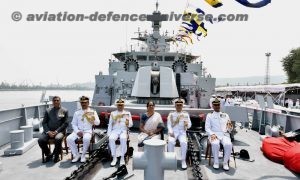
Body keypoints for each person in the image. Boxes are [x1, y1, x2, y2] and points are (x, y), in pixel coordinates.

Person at [67, 96, 100, 163]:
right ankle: (76, 155)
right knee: (69, 138)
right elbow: (73, 124)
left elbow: (98, 123)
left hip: (88, 130)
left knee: (86, 139)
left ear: (88, 103)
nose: (83, 104)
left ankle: (83, 155)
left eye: (85, 102)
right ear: (80, 103)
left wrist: (92, 120)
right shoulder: (77, 112)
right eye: (82, 102)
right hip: (78, 131)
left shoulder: (92, 112)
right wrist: (77, 131)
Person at [38, 96, 68, 163]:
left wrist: (57, 131)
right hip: (49, 131)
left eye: (57, 100)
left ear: (60, 101)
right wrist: (48, 132)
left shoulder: (64, 110)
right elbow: (44, 123)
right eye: (54, 100)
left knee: (57, 139)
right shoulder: (48, 111)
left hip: (59, 131)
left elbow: (65, 124)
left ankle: (56, 156)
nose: (56, 102)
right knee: (40, 140)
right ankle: (48, 154)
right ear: (52, 102)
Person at [205, 98, 233, 171]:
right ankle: (216, 162)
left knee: (228, 145)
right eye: (215, 105)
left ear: (220, 105)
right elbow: (207, 128)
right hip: (214, 134)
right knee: (215, 144)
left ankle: (225, 163)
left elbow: (230, 129)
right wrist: (212, 134)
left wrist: (230, 127)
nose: (217, 106)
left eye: (218, 105)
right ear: (213, 106)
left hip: (224, 134)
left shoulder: (225, 115)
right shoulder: (209, 116)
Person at [167, 98, 191, 170]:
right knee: (171, 141)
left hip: (182, 132)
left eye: (180, 105)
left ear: (182, 106)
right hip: (173, 132)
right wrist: (171, 132)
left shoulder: (186, 115)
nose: (179, 106)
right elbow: (169, 125)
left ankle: (183, 160)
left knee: (184, 142)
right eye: (177, 105)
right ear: (175, 106)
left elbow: (189, 124)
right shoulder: (171, 114)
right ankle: (171, 160)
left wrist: (187, 125)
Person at [107, 99, 133, 166]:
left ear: (123, 105)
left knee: (123, 138)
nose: (120, 106)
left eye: (121, 105)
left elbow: (131, 124)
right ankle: (114, 157)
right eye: (119, 105)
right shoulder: (113, 113)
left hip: (123, 130)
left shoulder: (127, 113)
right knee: (111, 139)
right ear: (117, 105)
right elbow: (110, 124)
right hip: (115, 130)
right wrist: (108, 134)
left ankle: (122, 157)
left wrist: (128, 123)